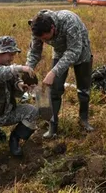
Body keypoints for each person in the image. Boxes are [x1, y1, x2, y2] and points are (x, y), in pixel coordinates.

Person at [26, 9, 94, 138]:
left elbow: (74, 51)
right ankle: (53, 126)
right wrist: (28, 69)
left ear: (53, 27)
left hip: (81, 52)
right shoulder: (37, 28)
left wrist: (53, 72)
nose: (44, 41)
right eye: (41, 39)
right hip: (59, 52)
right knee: (54, 90)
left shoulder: (69, 22)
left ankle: (83, 120)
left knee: (83, 90)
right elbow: (35, 52)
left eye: (46, 38)